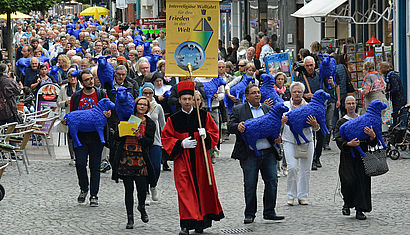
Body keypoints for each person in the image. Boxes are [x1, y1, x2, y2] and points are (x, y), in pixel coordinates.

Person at [161, 81, 224, 235]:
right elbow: (166, 137)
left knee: (203, 188)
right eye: (185, 99)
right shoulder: (173, 119)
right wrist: (180, 144)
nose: (188, 102)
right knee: (185, 191)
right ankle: (186, 223)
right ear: (180, 101)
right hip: (183, 160)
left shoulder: (203, 115)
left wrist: (206, 135)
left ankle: (200, 222)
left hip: (201, 159)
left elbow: (214, 133)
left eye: (190, 99)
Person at [228, 84, 285, 224]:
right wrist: (238, 127)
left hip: (268, 152)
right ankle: (250, 213)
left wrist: (278, 137)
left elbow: (274, 128)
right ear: (247, 96)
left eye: (258, 92)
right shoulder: (239, 109)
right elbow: (230, 126)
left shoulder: (267, 109)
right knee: (250, 184)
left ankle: (269, 211)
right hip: (250, 154)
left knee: (272, 181)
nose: (257, 95)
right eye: (253, 93)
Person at [64, 70, 110, 207]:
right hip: (81, 136)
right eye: (87, 80)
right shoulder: (77, 96)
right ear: (81, 82)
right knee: (80, 164)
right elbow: (72, 113)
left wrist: (108, 114)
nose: (90, 81)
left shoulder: (101, 94)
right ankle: (84, 188)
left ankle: (94, 195)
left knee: (95, 166)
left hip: (96, 136)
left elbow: (109, 110)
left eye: (91, 78)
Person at [111, 96, 155, 229]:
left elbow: (149, 142)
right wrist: (123, 131)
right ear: (135, 106)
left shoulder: (150, 123)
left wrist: (139, 136)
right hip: (126, 157)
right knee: (128, 190)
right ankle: (130, 218)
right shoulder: (127, 119)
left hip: (141, 158)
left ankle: (141, 206)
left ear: (148, 108)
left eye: (145, 105)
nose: (142, 107)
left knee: (142, 189)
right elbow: (117, 138)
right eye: (140, 104)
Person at [334, 95, 377, 220]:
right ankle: (347, 202)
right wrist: (348, 144)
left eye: (353, 103)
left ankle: (360, 209)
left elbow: (372, 141)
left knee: (362, 183)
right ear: (345, 106)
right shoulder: (341, 121)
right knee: (348, 181)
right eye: (349, 104)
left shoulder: (363, 119)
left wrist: (372, 136)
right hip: (348, 157)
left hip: (362, 156)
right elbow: (338, 138)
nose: (351, 106)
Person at [281, 82, 318, 205]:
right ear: (290, 93)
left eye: (299, 92)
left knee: (305, 169)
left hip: (306, 140)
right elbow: (277, 125)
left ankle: (303, 195)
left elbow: (317, 128)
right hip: (289, 140)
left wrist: (314, 124)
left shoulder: (309, 106)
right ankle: (291, 195)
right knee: (292, 168)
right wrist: (282, 121)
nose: (297, 94)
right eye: (295, 92)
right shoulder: (285, 106)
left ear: (303, 93)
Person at [141, 83, 165, 204]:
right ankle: (145, 193)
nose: (148, 95)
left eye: (150, 93)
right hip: (142, 142)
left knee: (156, 166)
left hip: (156, 141)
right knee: (144, 168)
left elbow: (163, 125)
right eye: (145, 93)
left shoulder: (158, 107)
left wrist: (165, 140)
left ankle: (153, 185)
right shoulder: (138, 106)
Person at [57, 68, 82, 166]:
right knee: (70, 137)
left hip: (80, 117)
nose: (72, 79)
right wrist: (65, 103)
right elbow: (58, 103)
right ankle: (73, 157)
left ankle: (80, 155)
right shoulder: (64, 88)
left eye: (74, 77)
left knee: (80, 136)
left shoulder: (82, 88)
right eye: (70, 77)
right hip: (69, 116)